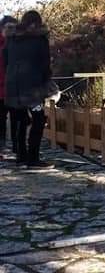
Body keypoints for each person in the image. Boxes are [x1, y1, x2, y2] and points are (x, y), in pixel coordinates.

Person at [4, 10, 53, 169]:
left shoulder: (11, 39)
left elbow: (5, 61)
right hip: (33, 88)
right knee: (38, 120)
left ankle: (21, 156)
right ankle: (33, 158)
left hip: (13, 87)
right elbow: (45, 64)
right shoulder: (40, 39)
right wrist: (46, 83)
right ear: (37, 23)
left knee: (20, 120)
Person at [0, 16, 17, 151]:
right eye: (9, 27)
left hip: (14, 89)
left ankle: (17, 147)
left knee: (17, 119)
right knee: (1, 119)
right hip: (2, 88)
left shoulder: (17, 44)